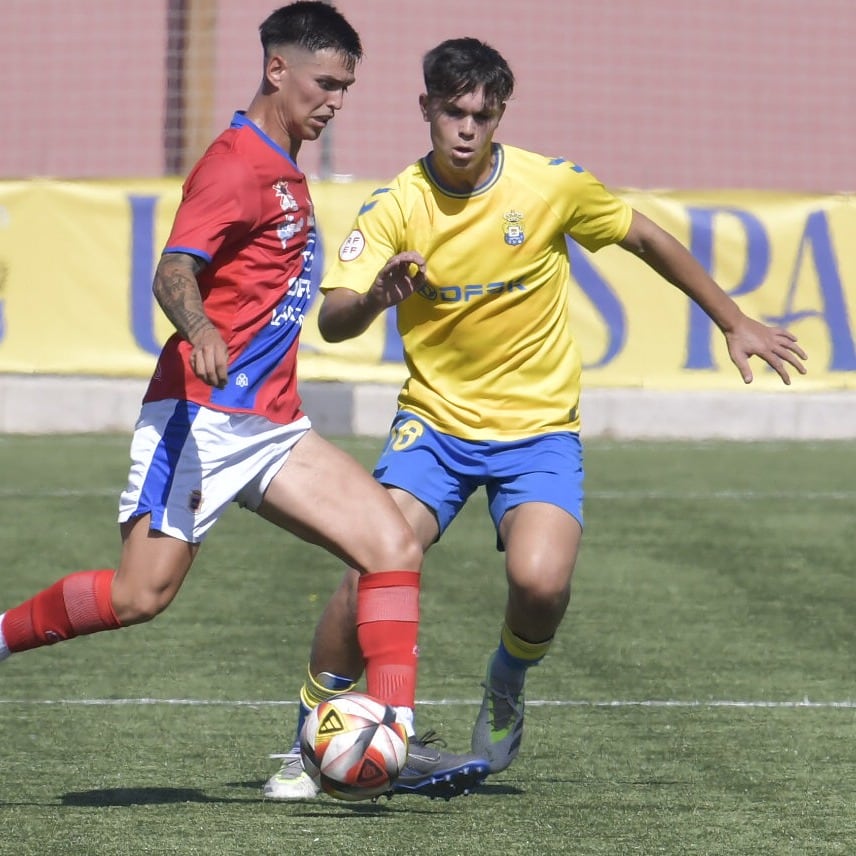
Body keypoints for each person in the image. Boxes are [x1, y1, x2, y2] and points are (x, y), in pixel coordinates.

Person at [262, 35, 810, 800]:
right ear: (427, 108)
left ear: (500, 117)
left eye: (482, 115)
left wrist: (732, 319)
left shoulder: (550, 186)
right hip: (436, 429)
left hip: (539, 430)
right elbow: (334, 319)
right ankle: (305, 739)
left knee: (541, 584)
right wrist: (377, 299)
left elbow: (645, 235)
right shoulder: (394, 205)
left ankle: (506, 680)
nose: (465, 128)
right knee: (371, 570)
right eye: (453, 112)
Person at [0, 5, 488, 802]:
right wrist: (197, 326)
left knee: (393, 546)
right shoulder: (236, 164)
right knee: (138, 597)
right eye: (325, 83)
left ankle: (391, 731)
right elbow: (172, 271)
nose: (335, 101)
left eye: (346, 88)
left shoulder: (286, 165)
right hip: (199, 421)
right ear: (276, 72)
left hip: (271, 426)